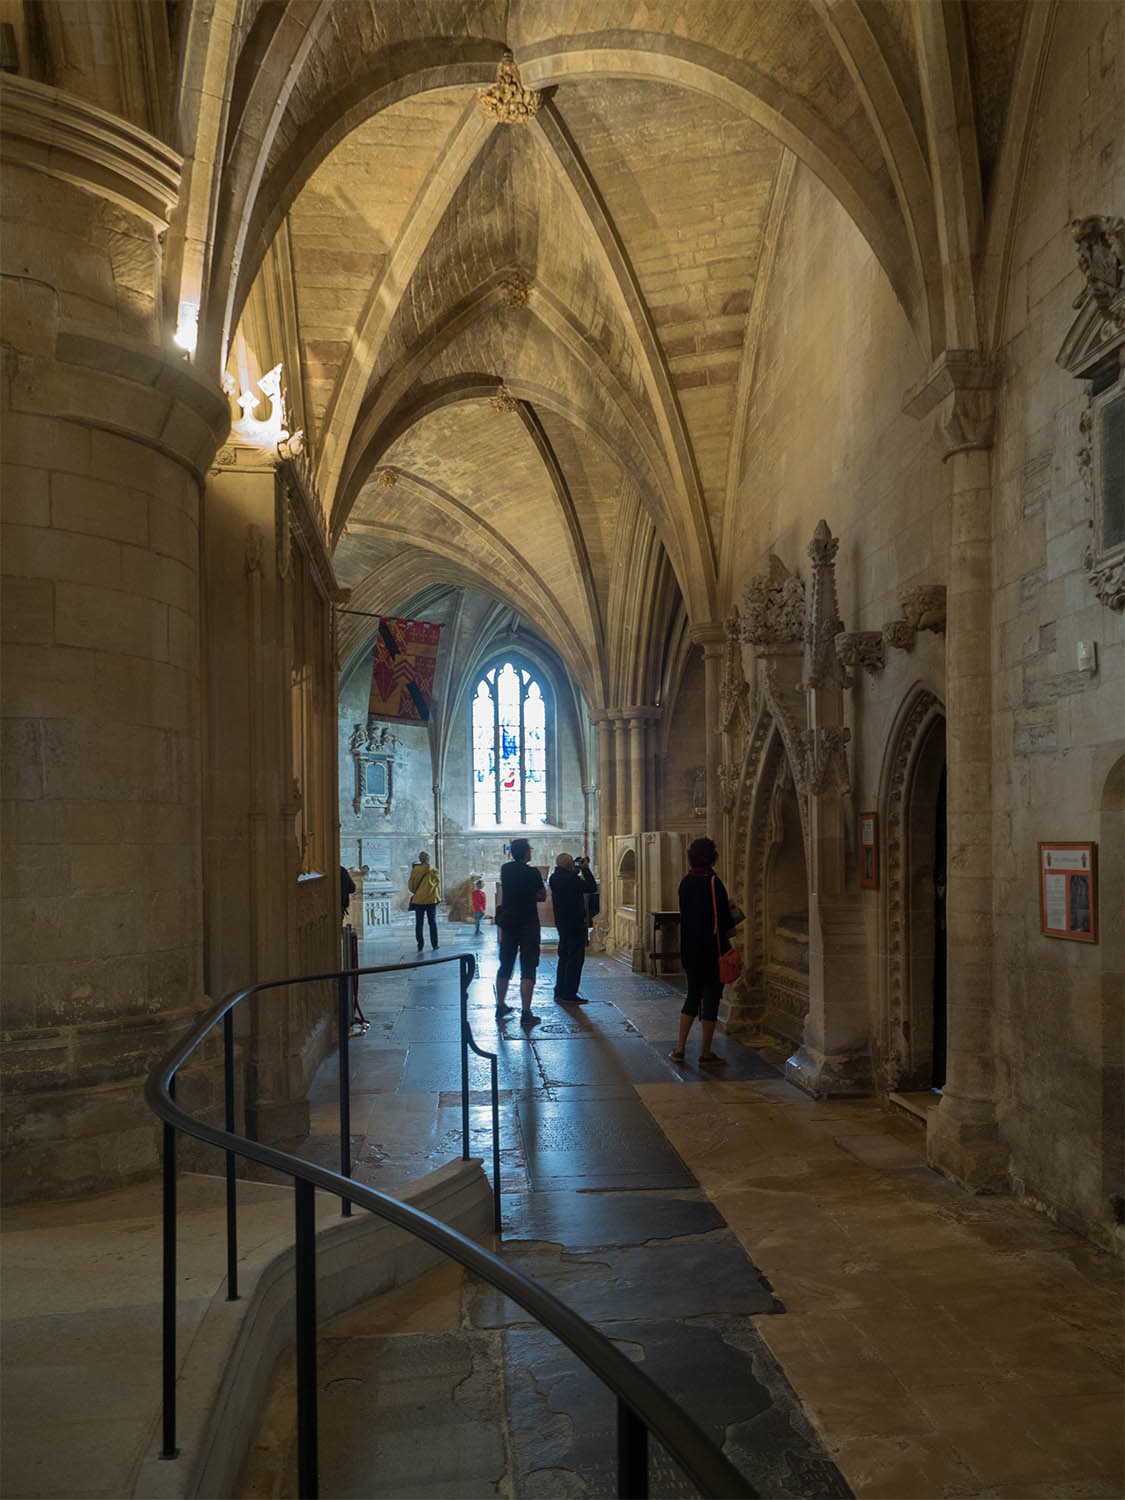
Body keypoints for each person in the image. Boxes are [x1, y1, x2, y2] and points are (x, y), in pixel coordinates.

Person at [671, 836, 732, 1066]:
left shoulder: (685, 882)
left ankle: (679, 1048)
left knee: (692, 996)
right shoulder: (714, 883)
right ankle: (705, 1053)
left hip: (690, 950)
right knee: (711, 1000)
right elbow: (725, 920)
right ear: (712, 857)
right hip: (712, 951)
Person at [495, 838, 546, 1025]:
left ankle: (500, 1005)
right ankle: (526, 1011)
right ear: (526, 852)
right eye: (529, 850)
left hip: (509, 922)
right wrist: (531, 894)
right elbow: (542, 896)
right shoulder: (533, 872)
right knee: (528, 966)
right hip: (528, 923)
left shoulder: (505, 869)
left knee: (505, 964)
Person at [549, 853, 588, 1004]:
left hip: (562, 922)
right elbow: (590, 887)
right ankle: (569, 993)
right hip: (575, 922)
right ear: (569, 864)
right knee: (575, 958)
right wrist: (585, 869)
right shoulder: (572, 879)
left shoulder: (554, 878)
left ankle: (559, 991)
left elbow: (569, 882)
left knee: (564, 956)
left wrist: (573, 871)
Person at [408, 851, 440, 953]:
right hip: (431, 900)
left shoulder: (415, 870)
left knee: (419, 923)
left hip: (418, 900)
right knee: (432, 923)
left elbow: (411, 885)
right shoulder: (433, 870)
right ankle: (434, 945)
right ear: (428, 859)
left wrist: (417, 892)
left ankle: (420, 945)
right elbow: (436, 885)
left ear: (420, 859)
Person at [575, 855, 599, 943]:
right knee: (577, 945)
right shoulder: (574, 880)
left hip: (562, 917)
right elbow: (592, 887)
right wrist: (585, 869)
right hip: (576, 916)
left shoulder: (554, 878)